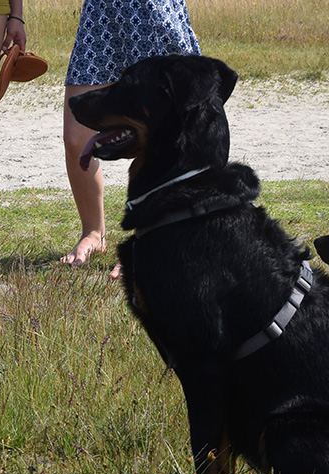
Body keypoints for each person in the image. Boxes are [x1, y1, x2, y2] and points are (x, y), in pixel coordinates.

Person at [60, 0, 200, 277]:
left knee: (160, 133)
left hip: (152, 9)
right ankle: (93, 232)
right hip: (102, 11)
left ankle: (144, 243)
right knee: (76, 136)